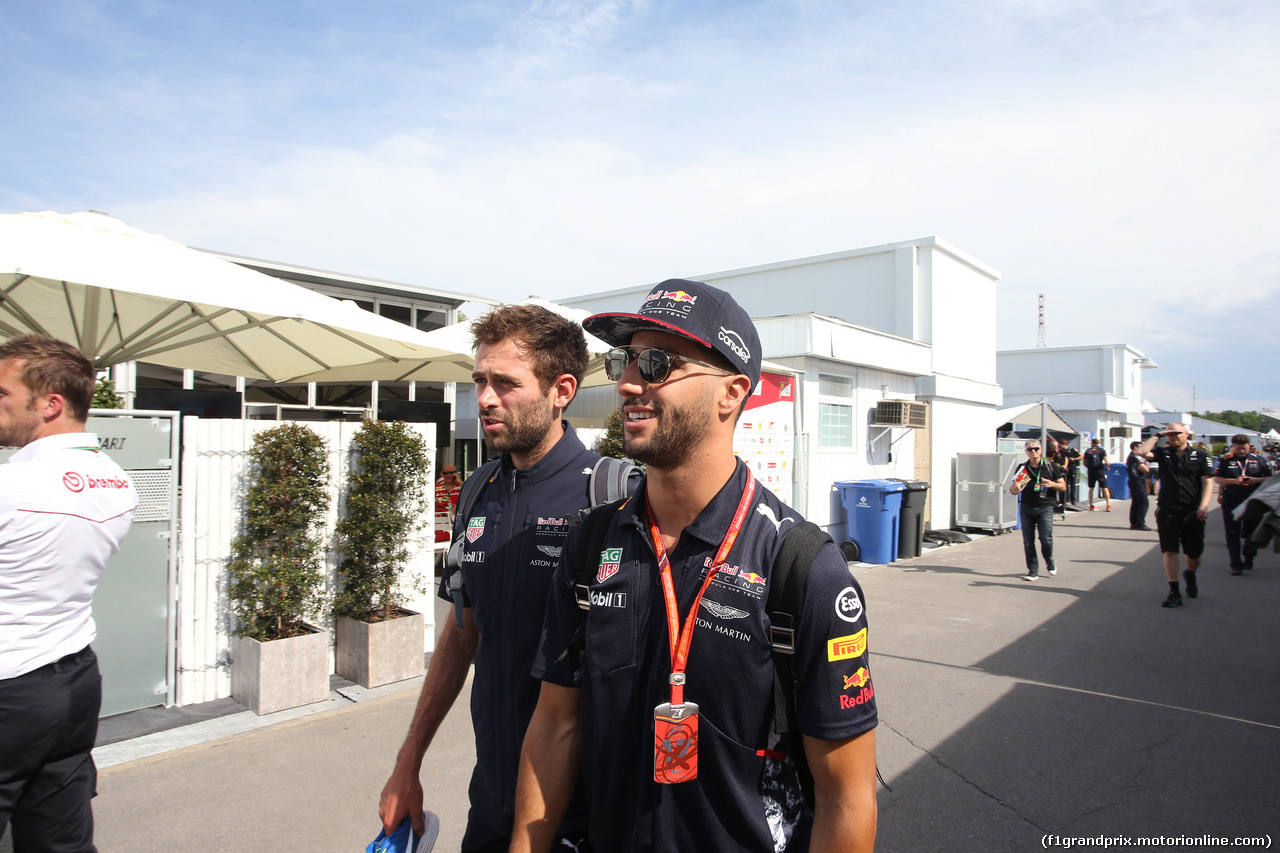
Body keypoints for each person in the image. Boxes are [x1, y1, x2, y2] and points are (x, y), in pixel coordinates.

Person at [511, 280, 878, 853]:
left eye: (657, 364)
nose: (629, 382)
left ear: (731, 393)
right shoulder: (592, 544)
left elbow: (847, 799)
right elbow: (555, 726)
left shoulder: (800, 568)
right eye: (624, 360)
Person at [378, 305, 637, 852]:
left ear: (561, 390)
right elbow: (462, 631)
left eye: (505, 383)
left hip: (584, 820)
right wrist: (409, 760)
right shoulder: (477, 492)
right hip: (491, 806)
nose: (487, 399)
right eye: (479, 381)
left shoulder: (614, 499)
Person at [0, 334, 138, 851]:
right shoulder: (117, 481)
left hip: (10, 685)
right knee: (60, 834)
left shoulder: (13, 489)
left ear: (50, 404)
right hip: (75, 678)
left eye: (2, 395)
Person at [1136, 423, 1214, 608]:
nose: (1173, 437)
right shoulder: (1164, 454)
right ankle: (1174, 591)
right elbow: (1141, 452)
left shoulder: (1201, 456)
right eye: (1170, 434)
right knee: (1169, 550)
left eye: (1177, 433)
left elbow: (1208, 483)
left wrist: (1204, 506)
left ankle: (1191, 573)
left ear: (1186, 434)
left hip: (1192, 510)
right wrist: (1157, 435)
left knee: (1194, 553)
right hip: (1168, 509)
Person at [1213, 434, 1273, 575]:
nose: (1241, 451)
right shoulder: (1225, 460)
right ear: (1233, 447)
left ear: (1249, 447)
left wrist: (1254, 480)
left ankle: (1249, 554)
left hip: (1254, 501)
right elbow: (1217, 479)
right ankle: (1236, 564)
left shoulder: (1259, 460)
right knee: (1232, 533)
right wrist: (1234, 481)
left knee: (1253, 532)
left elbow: (1270, 478)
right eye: (1238, 448)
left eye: (1244, 448)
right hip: (1232, 501)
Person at [1009, 439, 1066, 580]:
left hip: (1045, 506)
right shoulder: (1023, 468)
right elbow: (1015, 489)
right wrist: (1015, 489)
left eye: (1036, 448)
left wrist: (1052, 484)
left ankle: (1049, 560)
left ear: (1040, 450)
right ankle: (1032, 569)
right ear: (1026, 452)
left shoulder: (1050, 466)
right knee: (1028, 541)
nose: (1033, 451)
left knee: (1045, 538)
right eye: (1030, 449)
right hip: (1027, 506)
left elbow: (1063, 486)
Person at [1126, 440, 1152, 531]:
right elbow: (1144, 469)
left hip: (1135, 481)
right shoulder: (1134, 456)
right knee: (1144, 501)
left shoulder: (1134, 456)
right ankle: (1140, 523)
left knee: (1136, 502)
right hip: (1136, 480)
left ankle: (1134, 522)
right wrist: (1145, 467)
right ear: (1136, 447)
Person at [433, 464, 462, 543]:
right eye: (445, 473)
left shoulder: (460, 486)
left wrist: (458, 480)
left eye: (451, 472)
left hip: (457, 519)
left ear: (456, 473)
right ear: (442, 474)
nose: (448, 475)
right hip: (441, 521)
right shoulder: (437, 486)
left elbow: (470, 492)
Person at [1083, 438, 1111, 511]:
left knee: (1091, 488)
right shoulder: (1102, 450)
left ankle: (1091, 505)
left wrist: (1089, 467)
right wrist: (1107, 468)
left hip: (1091, 471)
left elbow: (1084, 462)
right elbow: (1107, 462)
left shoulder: (1088, 451)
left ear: (1092, 443)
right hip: (1100, 471)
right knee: (1104, 487)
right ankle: (1108, 505)